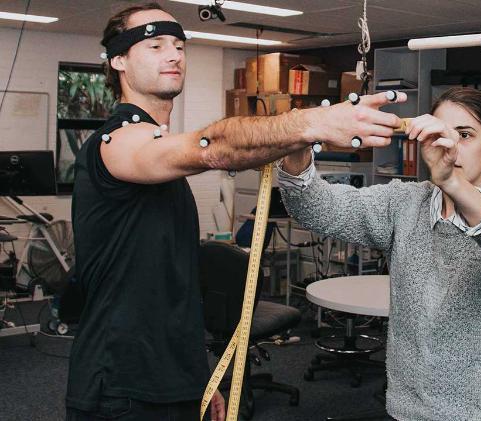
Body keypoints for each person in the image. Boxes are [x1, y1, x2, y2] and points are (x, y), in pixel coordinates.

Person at [66, 3, 405, 421]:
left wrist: (198, 382)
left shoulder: (159, 153)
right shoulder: (115, 142)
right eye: (154, 45)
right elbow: (217, 147)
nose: (173, 55)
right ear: (118, 60)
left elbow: (169, 289)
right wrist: (310, 122)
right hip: (120, 384)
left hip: (173, 379)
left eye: (178, 45)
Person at [278, 87, 481, 420]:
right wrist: (301, 135)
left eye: (464, 135)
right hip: (408, 409)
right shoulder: (404, 204)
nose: (450, 146)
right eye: (440, 134)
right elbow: (316, 208)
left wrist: (452, 182)